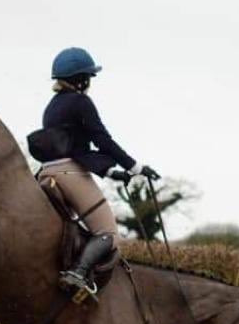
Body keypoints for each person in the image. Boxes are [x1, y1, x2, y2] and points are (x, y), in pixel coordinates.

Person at [30, 47, 160, 296]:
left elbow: (79, 149)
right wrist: (135, 167)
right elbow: (102, 140)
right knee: (108, 234)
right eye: (88, 77)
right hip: (70, 174)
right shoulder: (81, 102)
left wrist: (112, 172)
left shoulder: (53, 106)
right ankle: (77, 274)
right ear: (80, 79)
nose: (90, 82)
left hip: (48, 172)